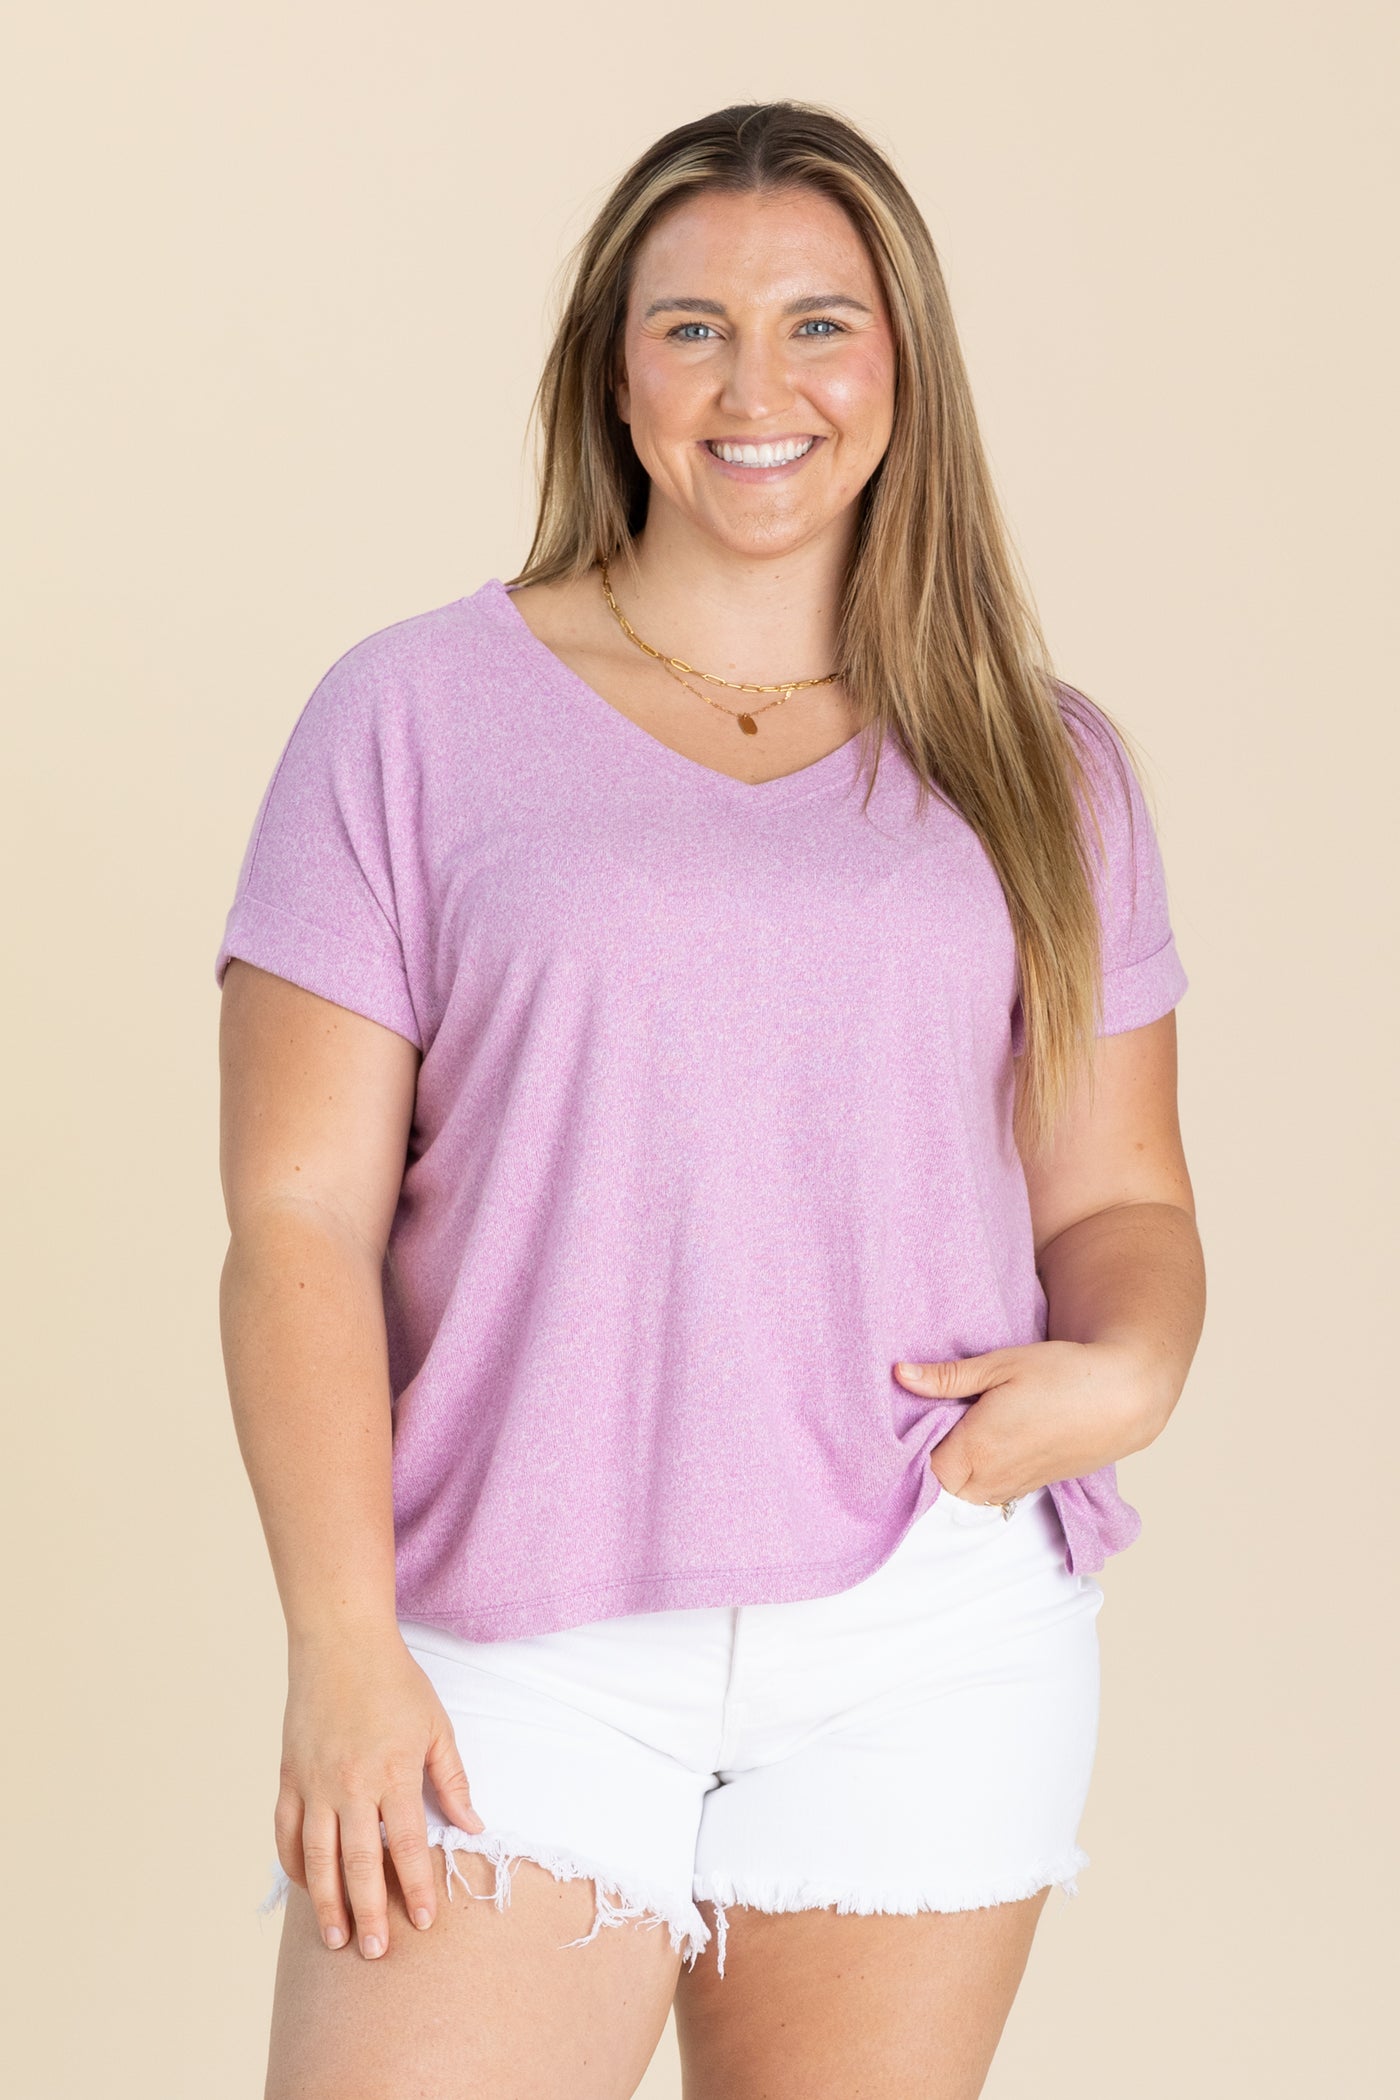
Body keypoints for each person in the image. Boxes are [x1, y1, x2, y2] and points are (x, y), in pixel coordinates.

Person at [216, 99, 1205, 2100]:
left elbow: (1121, 1201)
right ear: (613, 372)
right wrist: (339, 1642)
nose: (758, 389)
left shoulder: (1045, 763)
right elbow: (296, 1222)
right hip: (505, 1631)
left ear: (903, 369)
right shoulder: (410, 716)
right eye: (693, 329)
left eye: (819, 323)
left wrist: (1136, 1369)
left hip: (927, 1628)